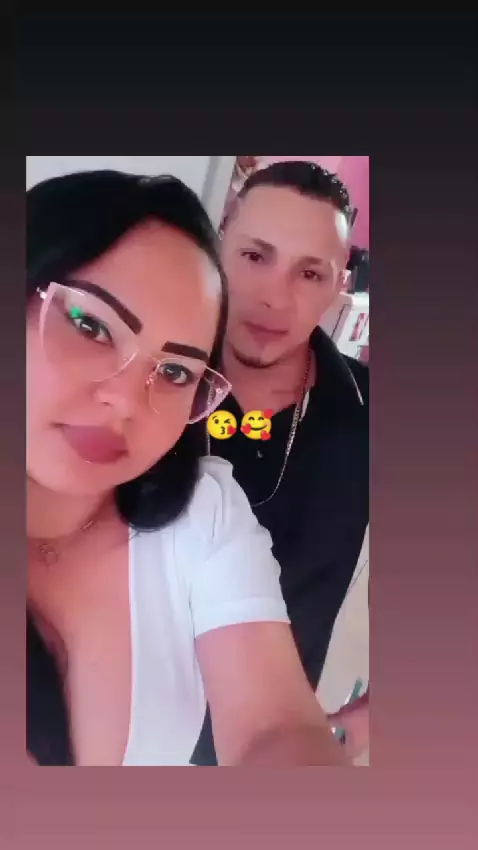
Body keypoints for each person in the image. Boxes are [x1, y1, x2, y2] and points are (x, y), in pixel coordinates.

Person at [26, 169, 348, 767]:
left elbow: (277, 725)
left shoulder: (204, 505)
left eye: (175, 372)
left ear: (339, 285)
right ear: (225, 244)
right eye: (92, 326)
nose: (126, 402)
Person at [192, 161, 369, 765]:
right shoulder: (144, 382)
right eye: (255, 256)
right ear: (219, 244)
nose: (274, 296)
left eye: (309, 272)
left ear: (339, 284)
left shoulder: (370, 411)